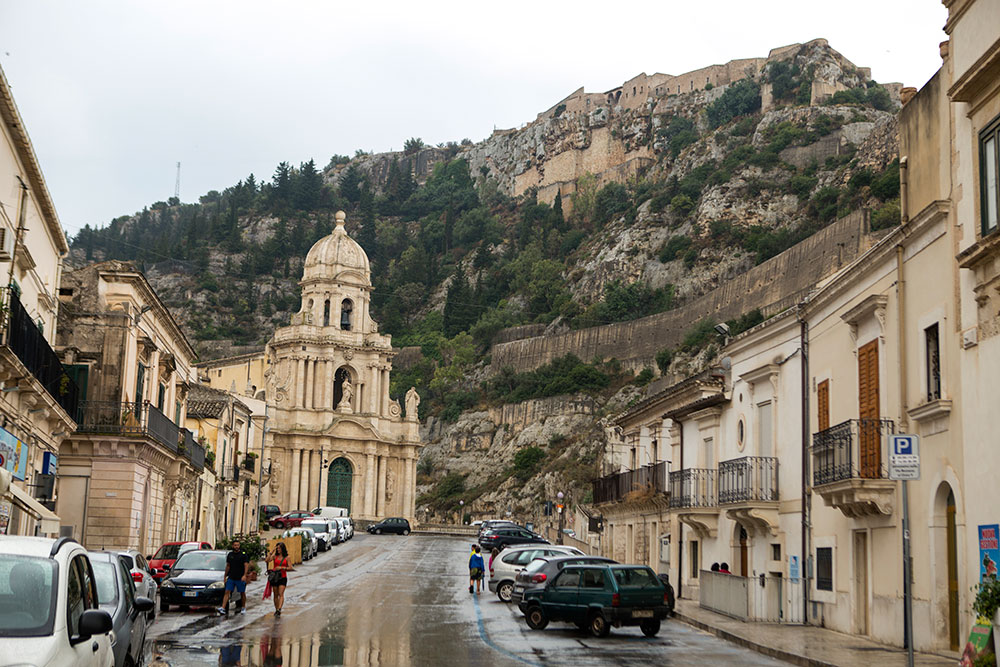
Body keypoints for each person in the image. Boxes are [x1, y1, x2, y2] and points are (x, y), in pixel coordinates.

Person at [218, 538, 250, 616]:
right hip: (231, 577)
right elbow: (228, 566)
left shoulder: (243, 555)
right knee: (227, 592)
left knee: (242, 592)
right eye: (235, 545)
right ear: (232, 546)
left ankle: (243, 607)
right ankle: (223, 607)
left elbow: (246, 565)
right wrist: (225, 576)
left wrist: (244, 575)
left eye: (238, 545)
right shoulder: (230, 555)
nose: (236, 546)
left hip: (240, 577)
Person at [266, 542, 294, 616]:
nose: (278, 550)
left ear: (283, 549)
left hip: (282, 577)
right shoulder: (275, 556)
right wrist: (271, 552)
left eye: (279, 548)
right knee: (275, 594)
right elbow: (267, 560)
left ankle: (279, 609)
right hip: (275, 577)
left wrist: (282, 568)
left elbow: (290, 567)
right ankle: (277, 609)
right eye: (277, 548)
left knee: (280, 593)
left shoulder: (287, 557)